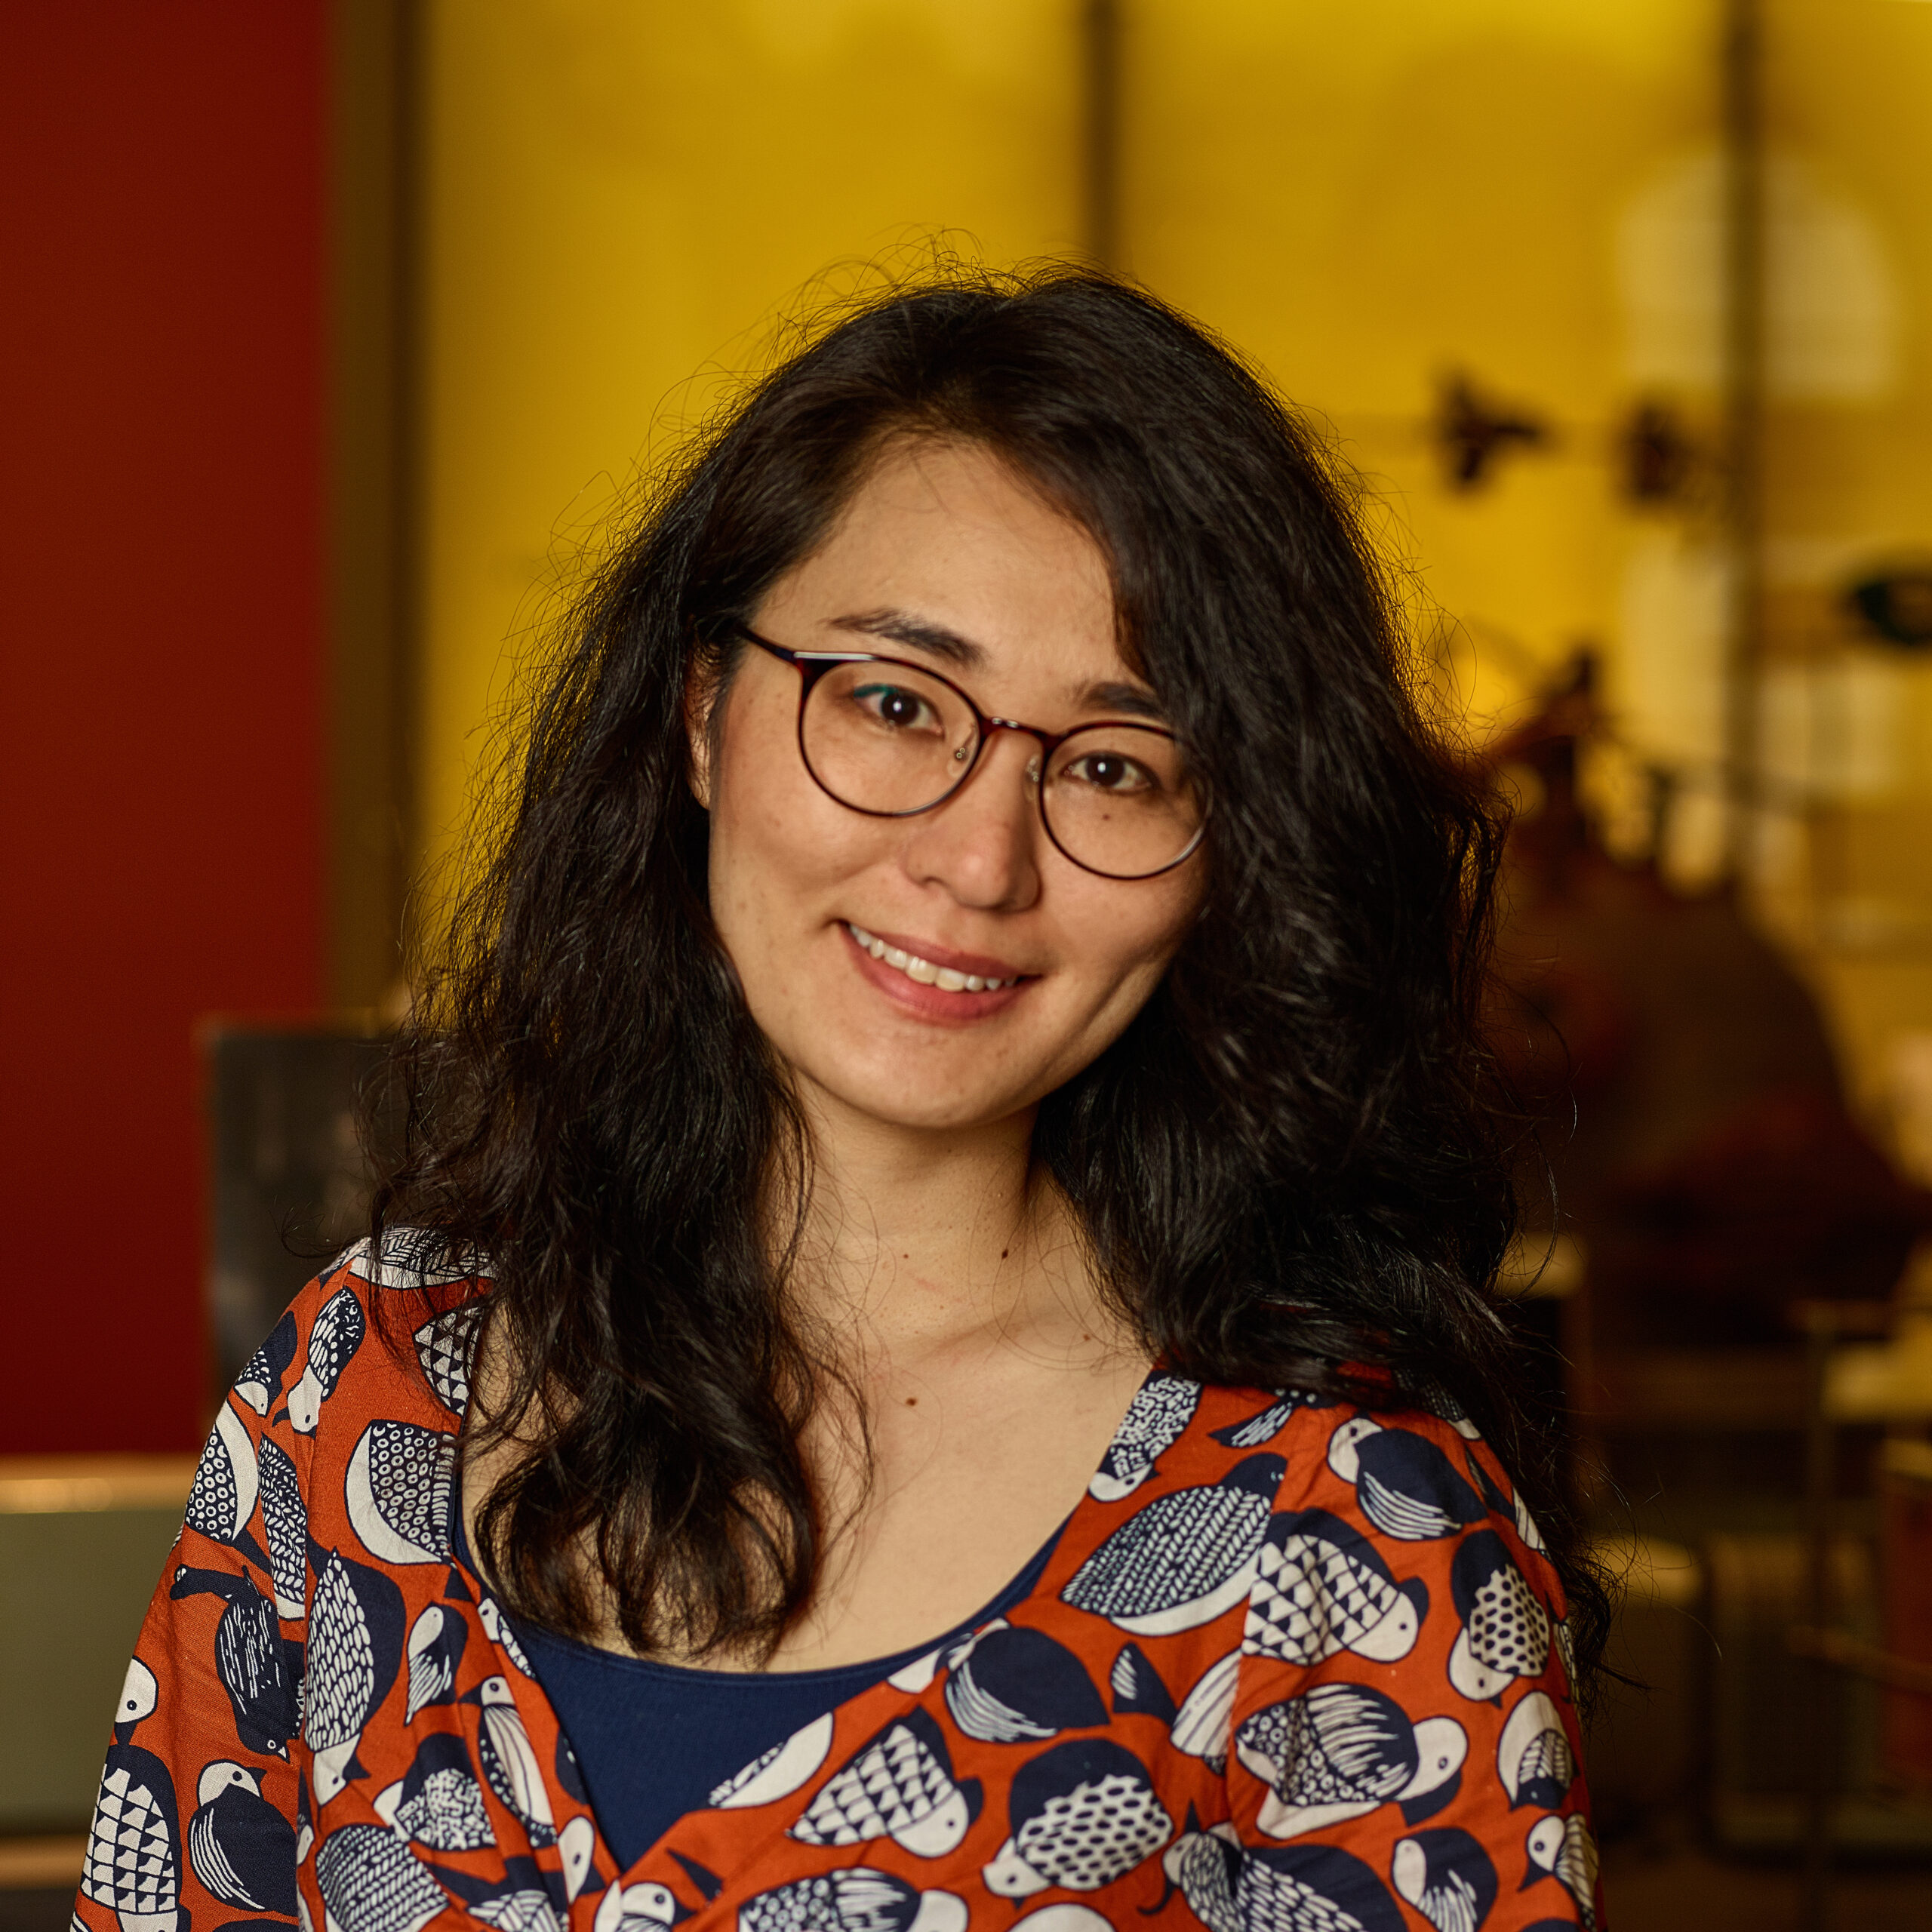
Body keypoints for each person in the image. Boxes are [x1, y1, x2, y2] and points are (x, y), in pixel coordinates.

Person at [78, 269, 1604, 1932]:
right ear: (701, 714)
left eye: (1112, 764)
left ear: (1226, 862)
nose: (976, 856)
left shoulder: (1346, 1535)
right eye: (890, 702)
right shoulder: (358, 1395)